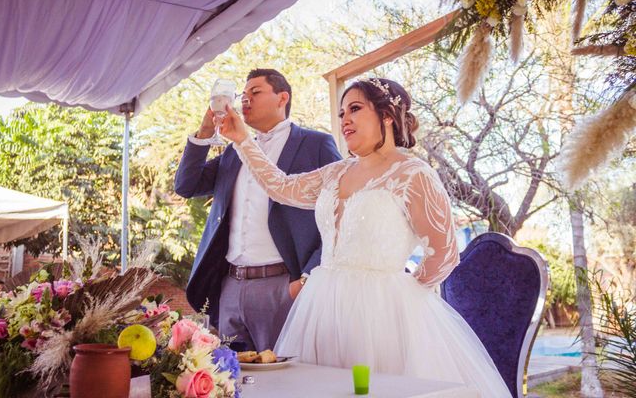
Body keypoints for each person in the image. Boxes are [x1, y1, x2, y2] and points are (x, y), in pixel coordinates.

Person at [218, 77, 512, 396]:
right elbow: (280, 187)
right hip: (322, 308)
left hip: (383, 315)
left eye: (355, 109)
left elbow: (444, 252)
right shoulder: (337, 172)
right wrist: (242, 139)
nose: (345, 119)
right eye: (342, 113)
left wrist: (401, 295)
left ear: (386, 115)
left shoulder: (413, 174)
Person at [174, 68, 341, 352]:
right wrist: (205, 132)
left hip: (283, 285)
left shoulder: (315, 144)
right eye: (243, 95)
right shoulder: (232, 151)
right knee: (233, 380)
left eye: (255, 92)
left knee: (285, 378)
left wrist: (307, 278)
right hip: (229, 286)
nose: (245, 100)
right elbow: (186, 186)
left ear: (282, 98)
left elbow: (339, 214)